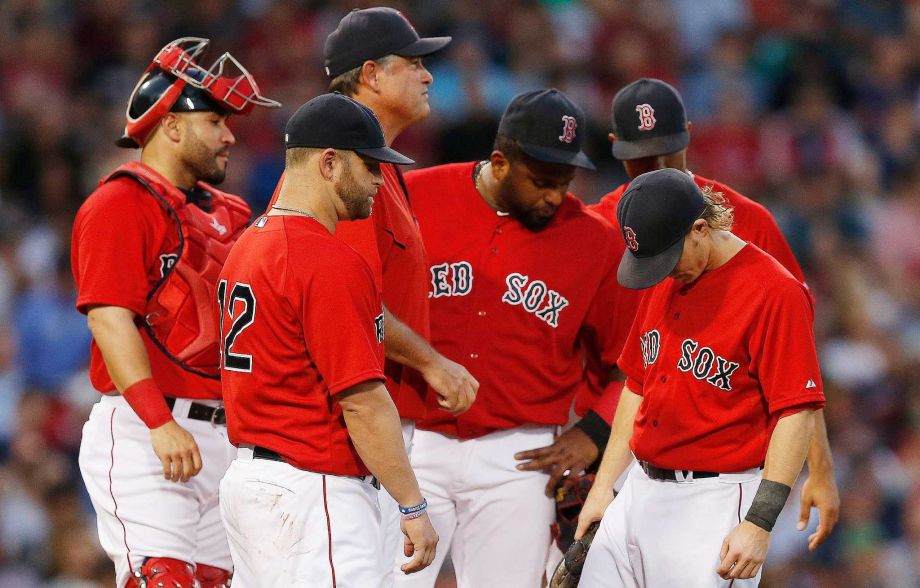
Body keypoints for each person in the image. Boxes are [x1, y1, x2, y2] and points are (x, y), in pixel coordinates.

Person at [525, 78, 839, 553]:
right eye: (641, 157)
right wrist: (587, 431)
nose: (657, 167)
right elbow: (570, 347)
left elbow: (794, 367)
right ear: (615, 149)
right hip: (615, 442)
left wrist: (821, 465)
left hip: (713, 464)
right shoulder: (598, 228)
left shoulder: (748, 222)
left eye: (668, 153)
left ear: (689, 136)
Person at [392, 89, 636, 587]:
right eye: (543, 181)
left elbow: (634, 362)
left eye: (565, 182)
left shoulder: (594, 240)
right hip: (412, 440)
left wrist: (594, 432)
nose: (556, 196)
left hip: (519, 456)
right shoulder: (412, 196)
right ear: (500, 161)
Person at [71, 37, 279, 587]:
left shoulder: (233, 212)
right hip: (148, 429)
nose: (231, 134)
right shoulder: (120, 203)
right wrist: (158, 422)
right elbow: (109, 318)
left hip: (227, 438)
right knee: (162, 579)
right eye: (215, 120)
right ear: (172, 125)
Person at [217, 93, 438, 586]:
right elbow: (362, 400)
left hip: (251, 484)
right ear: (331, 162)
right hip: (313, 490)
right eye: (371, 166)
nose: (381, 181)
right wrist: (413, 504)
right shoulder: (326, 259)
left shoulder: (247, 245)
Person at [575, 168, 825, 586]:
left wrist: (761, 521)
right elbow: (636, 386)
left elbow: (796, 412)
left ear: (700, 228)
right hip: (638, 488)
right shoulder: (668, 276)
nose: (662, 271)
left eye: (668, 258)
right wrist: (604, 488)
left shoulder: (774, 292)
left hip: (714, 501)